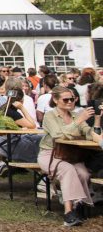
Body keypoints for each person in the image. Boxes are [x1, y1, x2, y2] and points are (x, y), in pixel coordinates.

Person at [38, 86, 100, 226]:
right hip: (50, 154)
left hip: (70, 155)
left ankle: (79, 206)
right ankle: (68, 212)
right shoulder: (50, 115)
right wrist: (78, 121)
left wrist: (96, 119)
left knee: (84, 173)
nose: (70, 102)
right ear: (55, 100)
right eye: (66, 99)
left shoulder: (76, 115)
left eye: (72, 99)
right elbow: (58, 135)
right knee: (68, 170)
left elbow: (89, 133)